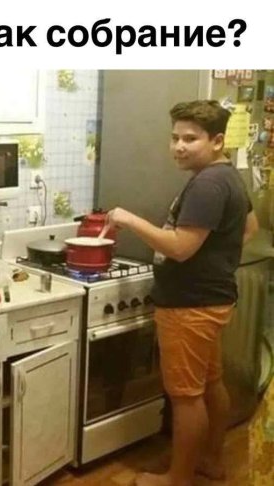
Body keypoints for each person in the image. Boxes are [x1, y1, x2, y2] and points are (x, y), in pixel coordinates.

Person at [104, 100, 259, 486]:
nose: (178, 146)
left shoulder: (207, 184)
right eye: (174, 137)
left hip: (190, 306)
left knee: (186, 396)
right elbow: (249, 228)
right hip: (213, 298)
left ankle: (178, 477)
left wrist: (128, 218)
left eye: (190, 139)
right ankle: (210, 460)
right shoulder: (227, 176)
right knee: (210, 384)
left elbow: (180, 248)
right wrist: (216, 255)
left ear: (217, 141)